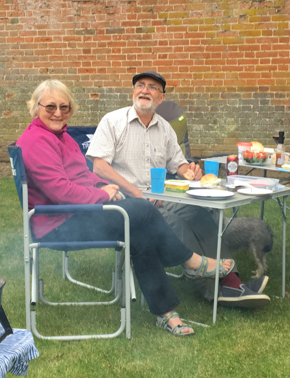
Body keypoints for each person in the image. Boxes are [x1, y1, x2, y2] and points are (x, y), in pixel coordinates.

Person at [16, 79, 235, 336]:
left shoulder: (61, 137)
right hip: (56, 223)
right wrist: (100, 194)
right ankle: (192, 262)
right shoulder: (36, 141)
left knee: (139, 229)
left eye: (64, 107)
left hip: (75, 213)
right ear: (35, 107)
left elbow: (86, 176)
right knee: (142, 210)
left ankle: (166, 313)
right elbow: (60, 191)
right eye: (50, 106)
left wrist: (103, 187)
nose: (58, 113)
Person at [86, 71, 270, 308]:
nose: (144, 90)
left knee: (199, 214)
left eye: (152, 87)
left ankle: (232, 279)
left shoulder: (164, 128)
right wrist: (137, 194)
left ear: (160, 98)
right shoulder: (112, 122)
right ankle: (216, 290)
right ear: (132, 92)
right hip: (126, 201)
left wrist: (189, 171)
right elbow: (99, 166)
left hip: (159, 195)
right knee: (176, 223)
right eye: (140, 85)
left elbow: (178, 163)